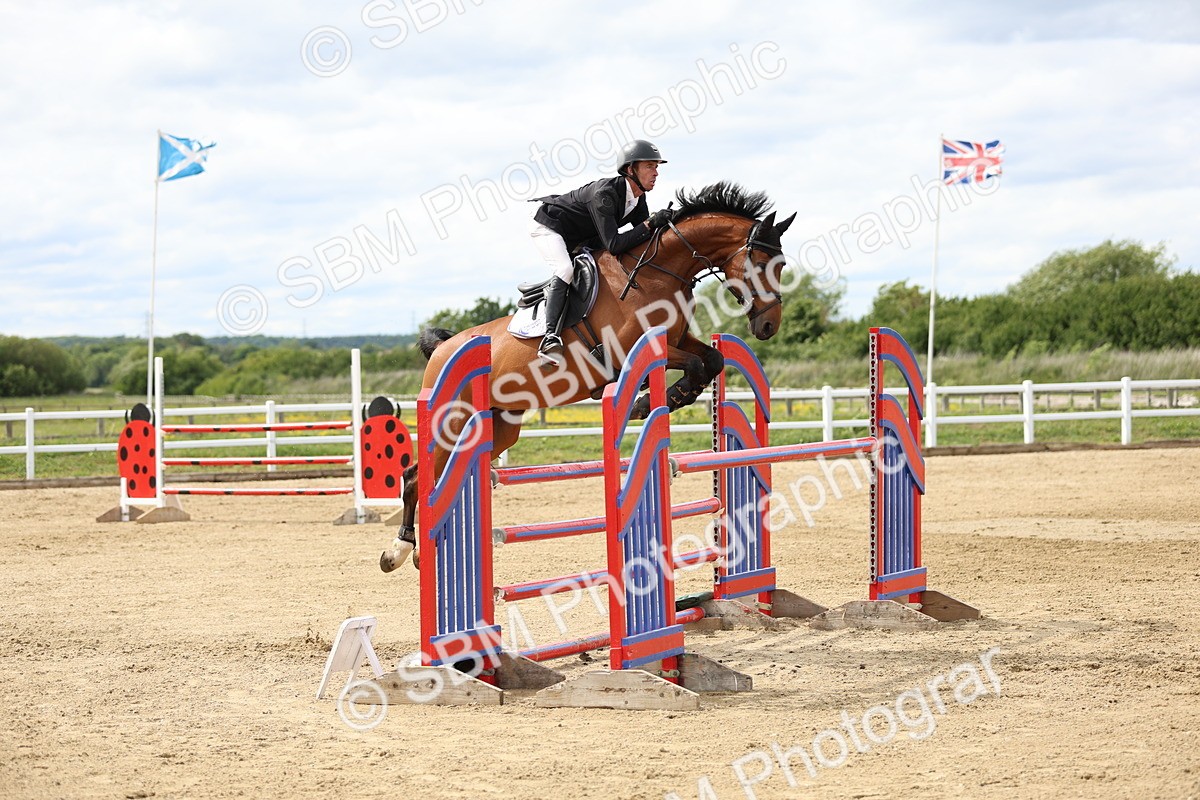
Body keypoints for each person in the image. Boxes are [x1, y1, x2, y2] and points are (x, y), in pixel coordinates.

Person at [529, 139, 674, 366]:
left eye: (657, 167)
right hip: (550, 226)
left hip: (581, 236)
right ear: (630, 169)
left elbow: (644, 235)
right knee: (565, 269)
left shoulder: (637, 198)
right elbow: (615, 244)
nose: (656, 173)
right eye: (650, 166)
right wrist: (649, 224)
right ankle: (550, 338)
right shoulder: (604, 194)